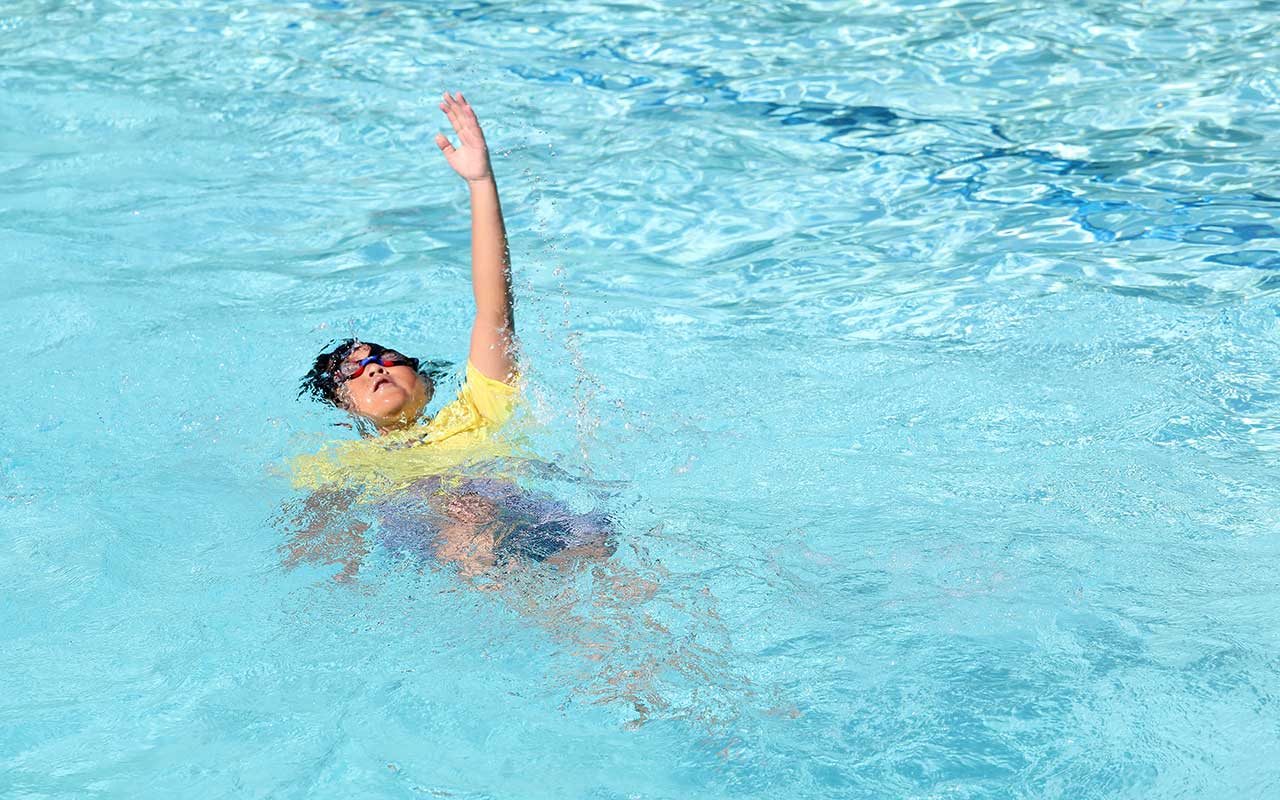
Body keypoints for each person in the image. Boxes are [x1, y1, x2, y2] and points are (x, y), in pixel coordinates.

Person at [284, 93, 612, 580]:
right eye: (351, 370)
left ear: (425, 380)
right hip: (448, 545)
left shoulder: (478, 407)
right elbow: (314, 539)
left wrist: (481, 182)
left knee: (596, 543)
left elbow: (494, 310)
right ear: (343, 406)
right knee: (462, 519)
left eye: (385, 357)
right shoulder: (340, 463)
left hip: (534, 521)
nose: (371, 368)